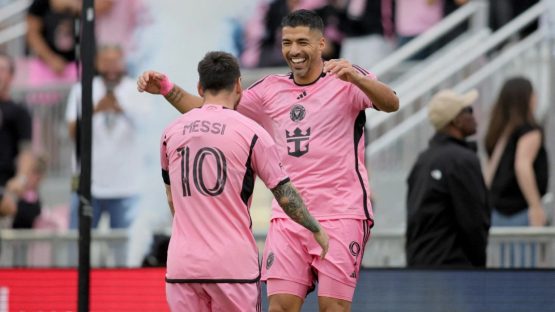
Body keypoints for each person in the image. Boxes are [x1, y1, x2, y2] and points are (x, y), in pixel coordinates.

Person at [138, 9, 398, 311]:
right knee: (280, 307)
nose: (294, 51)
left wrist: (354, 76)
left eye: (302, 42)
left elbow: (391, 102)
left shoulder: (346, 78)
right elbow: (213, 110)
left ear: (321, 44)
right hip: (289, 218)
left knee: (333, 308)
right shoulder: (270, 89)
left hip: (342, 212)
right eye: (287, 43)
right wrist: (169, 90)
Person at [161, 51, 329, 311]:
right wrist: (315, 228)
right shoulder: (251, 132)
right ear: (239, 85)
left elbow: (172, 198)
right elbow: (284, 194)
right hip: (232, 266)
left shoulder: (171, 132)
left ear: (200, 87)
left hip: (182, 265)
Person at [405, 89, 490, 268]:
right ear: (456, 120)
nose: (473, 116)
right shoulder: (463, 160)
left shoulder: (423, 159)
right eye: (468, 110)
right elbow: (474, 223)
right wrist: (479, 269)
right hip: (454, 270)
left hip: (419, 267)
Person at [66, 45, 147, 231]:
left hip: (128, 186)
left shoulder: (139, 90)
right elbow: (72, 133)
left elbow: (148, 131)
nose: (111, 68)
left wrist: (123, 110)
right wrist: (94, 111)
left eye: (115, 61)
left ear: (123, 62)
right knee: (76, 247)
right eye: (106, 62)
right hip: (88, 186)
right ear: (96, 63)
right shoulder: (82, 90)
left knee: (124, 253)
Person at [484, 77, 548, 227]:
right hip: (520, 212)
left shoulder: (500, 132)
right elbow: (522, 166)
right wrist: (536, 207)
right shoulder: (529, 131)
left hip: (496, 211)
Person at [0, 51, 34, 205]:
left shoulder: (19, 112)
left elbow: (26, 150)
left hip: (5, 183)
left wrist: (20, 179)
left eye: (1, 69)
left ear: (11, 76)